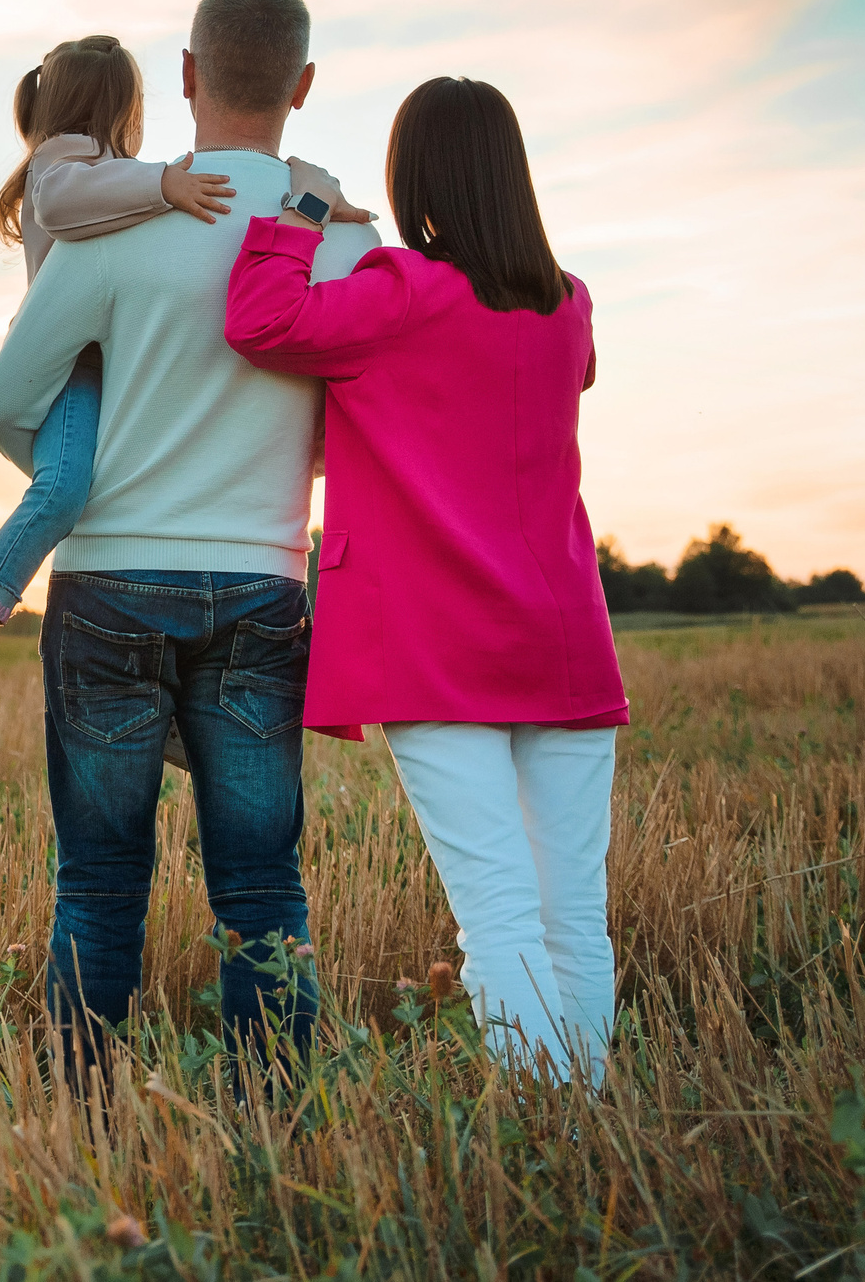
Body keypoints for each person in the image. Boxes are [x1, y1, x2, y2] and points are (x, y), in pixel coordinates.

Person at [0, 0, 377, 1075]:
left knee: (98, 878)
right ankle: (276, 1109)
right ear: (300, 86)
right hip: (261, 583)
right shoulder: (345, 242)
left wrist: (79, 487)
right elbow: (361, 431)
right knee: (261, 881)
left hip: (107, 584)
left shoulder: (122, 223)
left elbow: (5, 397)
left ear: (189, 76)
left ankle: (78, 1110)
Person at [223, 75, 628, 1086]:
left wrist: (303, 209)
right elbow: (565, 377)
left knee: (493, 909)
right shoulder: (567, 302)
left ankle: (545, 1125)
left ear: (413, 176)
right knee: (572, 909)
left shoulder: (403, 291)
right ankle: (587, 1117)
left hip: (436, 645)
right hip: (563, 639)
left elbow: (260, 323)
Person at [0, 34, 238, 719]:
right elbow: (64, 203)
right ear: (115, 101)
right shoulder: (64, 159)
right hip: (75, 367)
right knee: (63, 488)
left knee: (134, 496)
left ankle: (174, 700)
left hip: (120, 364)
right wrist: (164, 183)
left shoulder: (113, 168)